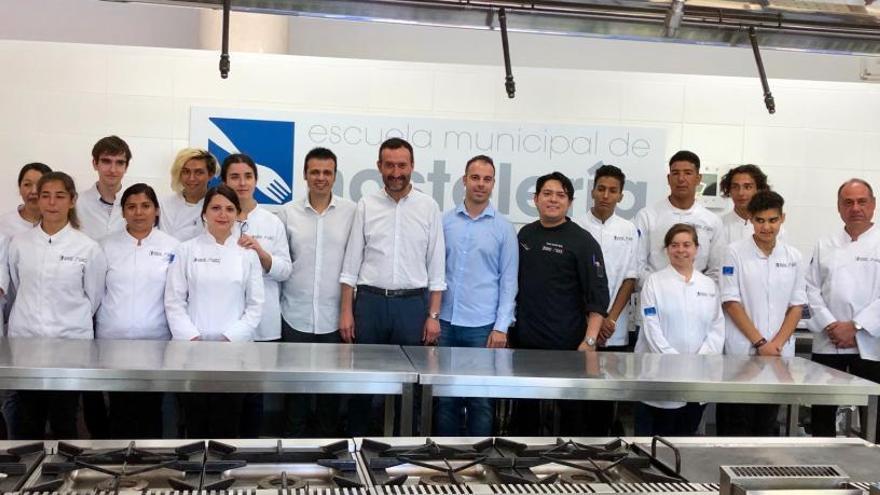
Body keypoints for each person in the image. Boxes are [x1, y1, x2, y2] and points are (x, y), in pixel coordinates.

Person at [339, 137, 445, 435]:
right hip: (370, 304)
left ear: (412, 166)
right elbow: (351, 265)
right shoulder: (366, 205)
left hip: (412, 307)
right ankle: (357, 448)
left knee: (410, 386)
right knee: (362, 385)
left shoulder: (428, 207)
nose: (395, 172)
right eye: (389, 165)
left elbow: (437, 267)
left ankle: (405, 452)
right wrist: (347, 312)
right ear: (379, 167)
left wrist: (433, 316)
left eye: (402, 165)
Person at [5, 171, 107, 440]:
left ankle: (64, 479)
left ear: (72, 201)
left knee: (65, 419)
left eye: (60, 196)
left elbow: (93, 296)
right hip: (26, 341)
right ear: (37, 200)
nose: (52, 202)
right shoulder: (19, 243)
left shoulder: (87, 247)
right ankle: (27, 480)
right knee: (27, 419)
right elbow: (16, 286)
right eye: (45, 196)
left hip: (70, 343)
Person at [510, 171, 610, 436]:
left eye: (560, 195)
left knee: (570, 419)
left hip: (568, 348)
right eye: (547, 194)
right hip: (526, 345)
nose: (553, 200)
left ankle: (569, 473)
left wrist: (589, 342)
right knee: (524, 418)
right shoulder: (525, 235)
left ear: (569, 202)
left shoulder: (582, 241)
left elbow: (598, 296)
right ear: (535, 199)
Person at [164, 184, 264, 438]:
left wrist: (229, 338)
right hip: (192, 352)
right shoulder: (186, 250)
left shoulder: (247, 254)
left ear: (237, 214)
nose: (223, 214)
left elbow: (255, 305)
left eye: (230, 209)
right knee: (195, 422)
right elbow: (174, 301)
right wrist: (193, 339)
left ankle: (225, 473)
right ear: (204, 213)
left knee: (228, 424)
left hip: (235, 353)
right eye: (216, 208)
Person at [436, 155, 518, 437]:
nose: (480, 184)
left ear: (493, 183)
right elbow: (434, 273)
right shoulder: (444, 222)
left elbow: (509, 281)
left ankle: (477, 460)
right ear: (464, 180)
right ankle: (445, 458)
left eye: (487, 179)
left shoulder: (504, 228)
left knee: (480, 399)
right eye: (475, 178)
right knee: (445, 398)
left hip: (483, 328)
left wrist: (500, 327)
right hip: (445, 323)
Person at [278, 147, 355, 438]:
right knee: (295, 395)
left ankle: (328, 457)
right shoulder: (287, 213)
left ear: (334, 176)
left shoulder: (351, 212)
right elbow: (282, 262)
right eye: (315, 172)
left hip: (335, 318)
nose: (321, 178)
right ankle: (293, 457)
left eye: (327, 172)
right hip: (294, 314)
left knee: (330, 396)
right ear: (305, 175)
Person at [717, 190, 806, 436]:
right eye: (760, 220)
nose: (766, 227)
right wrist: (759, 341)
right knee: (737, 421)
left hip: (777, 354)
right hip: (742, 350)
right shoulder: (734, 252)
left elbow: (796, 305)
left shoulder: (794, 257)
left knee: (766, 423)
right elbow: (730, 302)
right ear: (751, 220)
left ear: (782, 219)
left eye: (772, 220)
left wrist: (774, 344)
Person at [96, 183, 179, 439]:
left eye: (145, 206)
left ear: (156, 211)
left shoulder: (173, 246)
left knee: (151, 408)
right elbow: (94, 292)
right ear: (123, 212)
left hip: (156, 341)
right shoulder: (104, 246)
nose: (138, 212)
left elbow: (177, 295)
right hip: (112, 341)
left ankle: (152, 464)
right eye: (131, 206)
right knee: (119, 408)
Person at [221, 153, 292, 437]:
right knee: (226, 393)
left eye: (247, 176)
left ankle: (250, 452)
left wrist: (261, 254)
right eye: (234, 177)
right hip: (224, 323)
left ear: (256, 180)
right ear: (224, 180)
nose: (241, 183)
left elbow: (285, 269)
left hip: (264, 323)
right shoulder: (217, 215)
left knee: (255, 396)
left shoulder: (272, 221)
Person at [634, 223, 724, 436]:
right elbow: (651, 327)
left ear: (696, 249)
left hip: (697, 374)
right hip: (659, 374)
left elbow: (716, 327)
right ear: (667, 250)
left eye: (686, 244)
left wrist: (698, 360)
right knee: (653, 441)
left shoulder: (708, 285)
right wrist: (674, 362)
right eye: (674, 245)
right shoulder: (654, 282)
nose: (681, 250)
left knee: (684, 440)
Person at [807, 179, 880, 438]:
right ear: (839, 207)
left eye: (862, 201)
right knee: (822, 414)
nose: (855, 208)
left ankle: (873, 473)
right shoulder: (824, 244)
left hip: (870, 344)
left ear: (873, 205)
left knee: (875, 416)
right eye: (848, 202)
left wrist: (856, 327)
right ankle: (820, 468)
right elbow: (811, 288)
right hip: (829, 341)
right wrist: (831, 324)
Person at [635, 151, 724, 283]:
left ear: (698, 179)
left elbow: (716, 269)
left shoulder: (712, 221)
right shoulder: (647, 216)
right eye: (675, 173)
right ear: (668, 178)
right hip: (656, 294)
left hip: (697, 297)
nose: (681, 179)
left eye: (688, 173)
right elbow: (638, 264)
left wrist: (697, 289)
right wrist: (658, 287)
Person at [580, 165, 638, 351]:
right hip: (581, 324)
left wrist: (609, 320)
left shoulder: (629, 229)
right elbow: (572, 281)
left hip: (613, 328)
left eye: (613, 191)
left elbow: (630, 278)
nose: (606, 195)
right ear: (593, 192)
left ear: (620, 196)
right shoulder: (576, 226)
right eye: (601, 189)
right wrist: (593, 319)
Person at [78, 136, 131, 240]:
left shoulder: (136, 206)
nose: (112, 169)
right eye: (106, 161)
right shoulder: (76, 204)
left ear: (126, 167)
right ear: (95, 164)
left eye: (120, 162)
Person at [159, 148, 218, 241]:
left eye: (199, 172)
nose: (191, 178)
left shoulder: (217, 206)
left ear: (210, 174)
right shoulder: (163, 205)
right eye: (186, 172)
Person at [718, 164, 771, 245]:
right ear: (729, 190)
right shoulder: (718, 225)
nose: (741, 193)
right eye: (735, 187)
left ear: (759, 190)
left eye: (748, 187)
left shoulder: (771, 229)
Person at [0, 162, 53, 237]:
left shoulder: (60, 224)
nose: (34, 191)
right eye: (27, 184)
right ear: (19, 188)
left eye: (40, 185)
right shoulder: (4, 224)